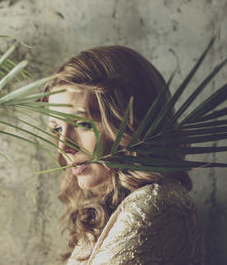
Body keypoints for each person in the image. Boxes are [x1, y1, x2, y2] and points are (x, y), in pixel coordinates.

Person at [43, 46, 204, 264]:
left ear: (130, 123)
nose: (64, 146)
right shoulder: (110, 204)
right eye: (57, 129)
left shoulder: (153, 206)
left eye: (82, 123)